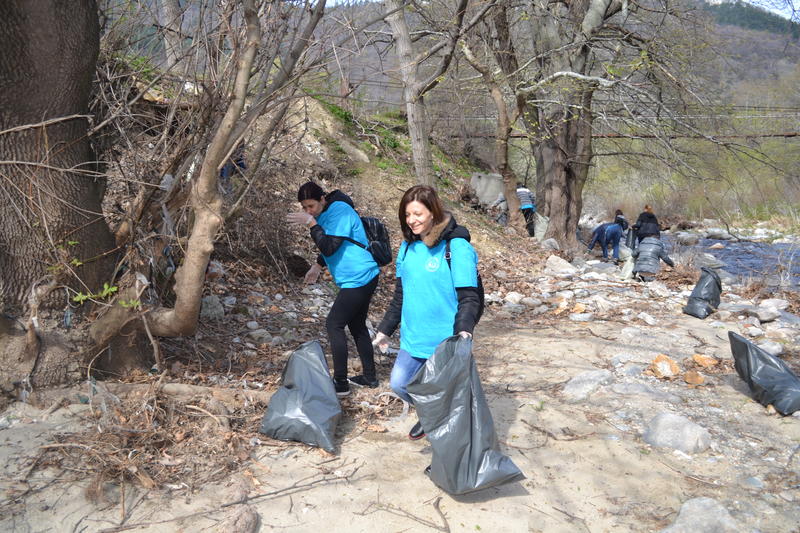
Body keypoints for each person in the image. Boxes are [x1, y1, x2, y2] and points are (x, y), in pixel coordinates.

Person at [373, 185, 481, 441]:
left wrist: (464, 331)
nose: (411, 221)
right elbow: (401, 295)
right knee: (400, 384)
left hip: (445, 343)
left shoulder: (456, 247)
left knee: (449, 402)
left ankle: (449, 452)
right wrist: (385, 329)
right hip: (413, 338)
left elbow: (469, 297)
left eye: (417, 214)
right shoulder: (407, 248)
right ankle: (430, 412)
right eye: (407, 215)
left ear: (433, 212)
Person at [286, 182, 380, 397]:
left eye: (311, 206)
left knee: (334, 324)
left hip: (360, 276)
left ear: (323, 199)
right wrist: (318, 266)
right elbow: (330, 244)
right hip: (355, 277)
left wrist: (311, 223)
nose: (309, 211)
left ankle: (340, 383)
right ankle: (370, 376)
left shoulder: (341, 211)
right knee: (357, 325)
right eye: (305, 208)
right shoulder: (324, 215)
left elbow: (329, 245)